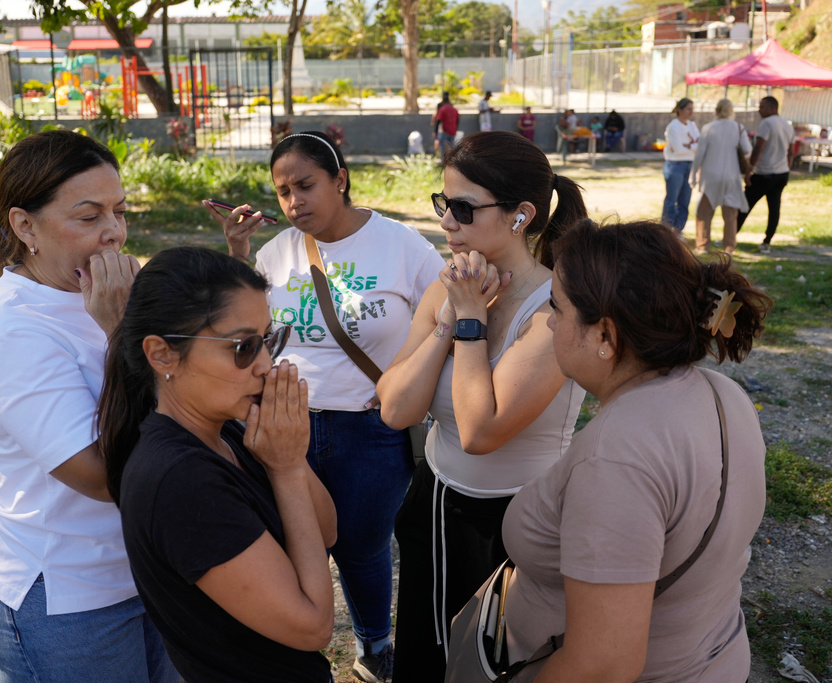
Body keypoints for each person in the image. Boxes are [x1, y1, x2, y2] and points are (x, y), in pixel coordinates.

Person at [204, 131, 444, 683]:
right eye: (283, 191)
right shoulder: (274, 251)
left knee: (362, 549)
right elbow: (242, 326)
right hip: (283, 423)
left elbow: (445, 316)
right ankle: (293, 652)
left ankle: (375, 646)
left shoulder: (402, 246)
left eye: (306, 185)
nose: (294, 203)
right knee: (287, 544)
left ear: (340, 179)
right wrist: (237, 255)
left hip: (371, 427)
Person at [499, 218, 771, 681]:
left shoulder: (617, 458)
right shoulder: (723, 394)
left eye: (557, 308)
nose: (549, 321)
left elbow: (602, 665)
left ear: (604, 336)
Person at [0, 130, 177, 682]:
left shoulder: (104, 294)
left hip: (146, 568)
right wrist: (125, 335)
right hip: (62, 595)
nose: (114, 233)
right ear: (24, 226)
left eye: (120, 211)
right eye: (88, 216)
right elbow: (103, 477)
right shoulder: (14, 334)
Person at [377, 131, 589, 682]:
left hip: (514, 522)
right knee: (427, 653)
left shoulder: (554, 311)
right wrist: (450, 317)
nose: (447, 222)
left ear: (521, 216)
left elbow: (481, 431)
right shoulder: (448, 289)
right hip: (436, 503)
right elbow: (396, 410)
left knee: (494, 663)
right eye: (444, 204)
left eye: (464, 209)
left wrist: (469, 322)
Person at [98, 246, 338, 682]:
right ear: (163, 355)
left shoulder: (228, 427)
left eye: (269, 340)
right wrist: (284, 471)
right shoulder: (181, 482)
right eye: (243, 347)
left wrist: (292, 458)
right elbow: (313, 626)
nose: (266, 365)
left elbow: (325, 532)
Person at [691, 98, 752, 254]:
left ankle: (703, 245)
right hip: (731, 175)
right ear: (732, 111)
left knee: (704, 212)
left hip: (710, 175)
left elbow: (700, 154)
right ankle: (729, 247)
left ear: (716, 111)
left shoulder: (708, 128)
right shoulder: (739, 127)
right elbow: (747, 149)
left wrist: (693, 174)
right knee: (731, 214)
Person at [738, 96, 795, 254]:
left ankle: (730, 236)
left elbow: (758, 148)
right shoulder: (787, 125)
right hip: (781, 173)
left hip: (765, 173)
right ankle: (767, 241)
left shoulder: (767, 123)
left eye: (762, 107)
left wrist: (749, 170)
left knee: (744, 204)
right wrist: (786, 168)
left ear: (772, 108)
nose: (759, 110)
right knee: (774, 208)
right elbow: (791, 152)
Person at [662, 97, 700, 235]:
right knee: (672, 199)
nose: (691, 112)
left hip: (690, 164)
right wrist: (693, 146)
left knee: (685, 200)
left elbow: (700, 144)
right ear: (680, 110)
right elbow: (678, 149)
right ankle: (666, 230)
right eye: (688, 109)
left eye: (692, 109)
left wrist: (689, 145)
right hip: (675, 165)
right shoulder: (673, 126)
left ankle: (678, 230)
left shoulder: (692, 125)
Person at [433, 92, 460, 161]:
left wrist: (435, 130)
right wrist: (455, 129)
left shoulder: (442, 109)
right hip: (452, 130)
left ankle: (443, 161)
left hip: (444, 130)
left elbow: (438, 120)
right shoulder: (454, 109)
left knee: (443, 147)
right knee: (451, 147)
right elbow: (457, 120)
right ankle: (450, 161)